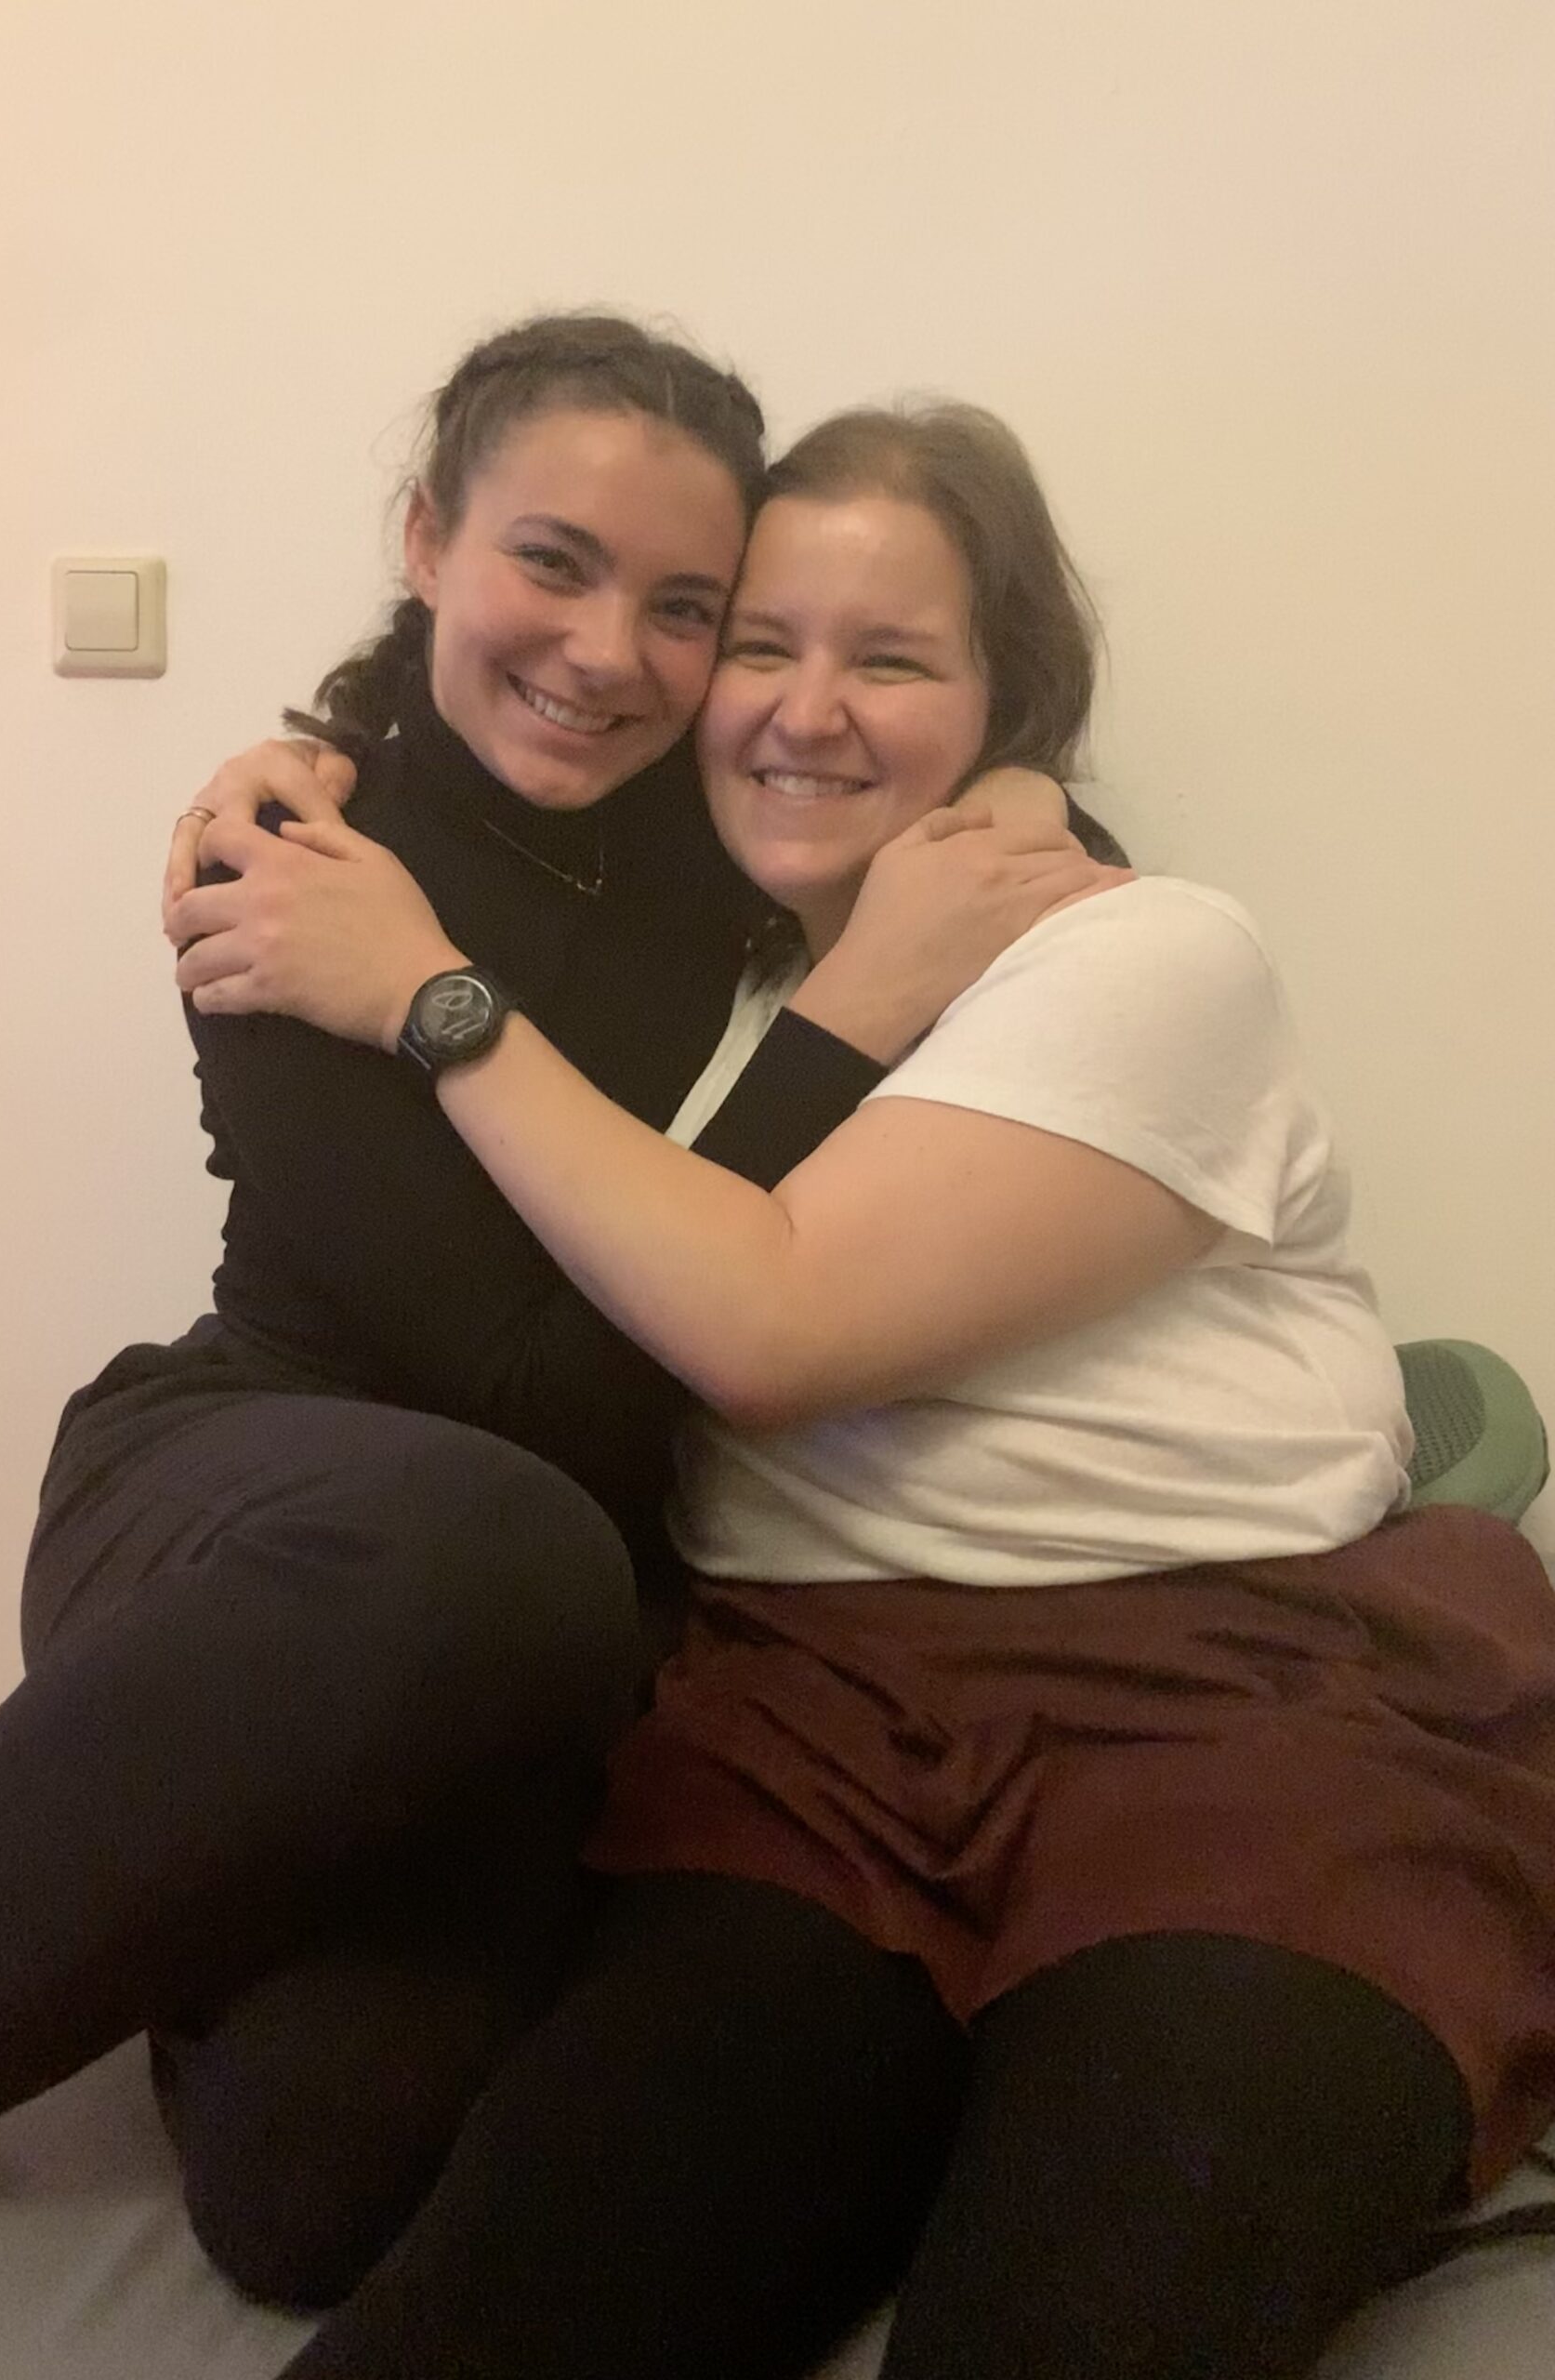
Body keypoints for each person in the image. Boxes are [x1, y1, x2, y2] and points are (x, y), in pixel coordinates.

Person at [166, 402, 1555, 2380]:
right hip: (807, 1745)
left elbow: (764, 1320)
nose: (805, 710)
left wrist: (429, 992)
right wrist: (300, 768)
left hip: (1239, 1725)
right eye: (759, 641)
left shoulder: (1149, 956)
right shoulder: (686, 1009)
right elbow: (493, 736)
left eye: (891, 659)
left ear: (1008, 706)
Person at [0, 315, 1118, 2323]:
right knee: (503, 1529)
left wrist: (1008, 787)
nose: (607, 653)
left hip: (536, 1623)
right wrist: (831, 1022)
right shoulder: (295, 859)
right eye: (550, 563)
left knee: (324, 2195)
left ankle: (228, 1852)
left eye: (687, 607)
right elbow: (549, 1393)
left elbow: (956, 774)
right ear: (426, 539)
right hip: (258, 1495)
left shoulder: (718, 826)